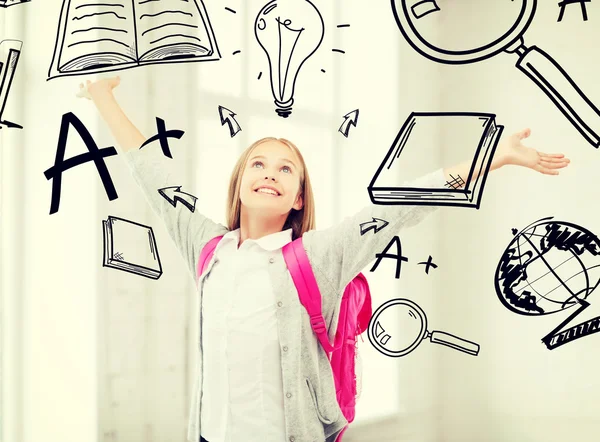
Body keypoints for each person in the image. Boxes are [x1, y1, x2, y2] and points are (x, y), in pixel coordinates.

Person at [78, 76, 570, 442]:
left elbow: (398, 206)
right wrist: (103, 97)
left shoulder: (317, 256)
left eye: (285, 168)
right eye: (258, 163)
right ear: (240, 184)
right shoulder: (207, 248)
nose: (270, 173)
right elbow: (154, 177)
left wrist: (494, 156)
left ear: (297, 197)